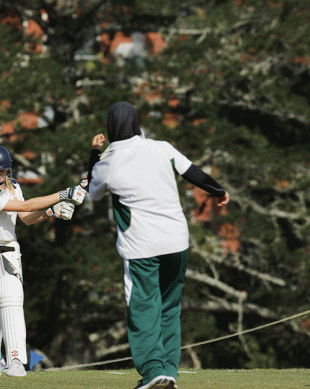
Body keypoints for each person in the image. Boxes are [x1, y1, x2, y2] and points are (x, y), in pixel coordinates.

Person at [87, 102, 229, 389]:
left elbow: (93, 191)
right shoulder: (161, 147)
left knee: (143, 308)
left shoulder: (109, 162)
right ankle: (169, 371)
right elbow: (193, 173)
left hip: (141, 247)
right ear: (137, 123)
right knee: (169, 306)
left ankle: (153, 371)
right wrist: (219, 191)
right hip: (177, 241)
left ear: (110, 127)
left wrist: (93, 154)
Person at [0, 144, 85, 377]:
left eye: (2, 171)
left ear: (8, 170)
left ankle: (15, 360)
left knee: (10, 296)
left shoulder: (13, 187)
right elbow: (26, 206)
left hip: (9, 250)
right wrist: (65, 194)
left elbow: (27, 217)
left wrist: (52, 212)